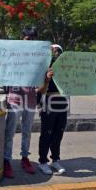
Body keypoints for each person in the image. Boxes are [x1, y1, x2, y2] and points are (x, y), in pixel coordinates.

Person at [3, 26, 52, 178]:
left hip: (30, 101)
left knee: (27, 132)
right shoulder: (13, 56)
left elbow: (42, 90)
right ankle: (6, 161)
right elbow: (2, 71)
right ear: (22, 38)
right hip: (14, 100)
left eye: (32, 38)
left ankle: (25, 158)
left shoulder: (40, 60)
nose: (30, 41)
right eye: (27, 38)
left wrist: (47, 79)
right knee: (10, 132)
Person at [37, 44, 68, 175]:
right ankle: (43, 162)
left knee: (58, 134)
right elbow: (40, 90)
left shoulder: (66, 69)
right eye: (53, 52)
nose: (56, 54)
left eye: (58, 52)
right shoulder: (43, 70)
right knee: (46, 134)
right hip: (48, 104)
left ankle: (55, 160)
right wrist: (47, 79)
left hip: (63, 103)